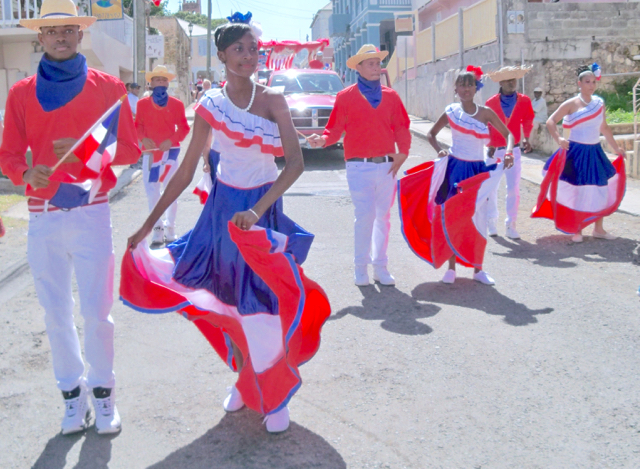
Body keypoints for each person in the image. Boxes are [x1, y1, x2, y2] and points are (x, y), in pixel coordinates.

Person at [122, 13, 330, 434]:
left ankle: (272, 398)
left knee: (261, 305)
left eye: (253, 49)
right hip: (221, 214)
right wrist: (147, 227)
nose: (248, 56)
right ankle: (244, 379)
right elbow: (182, 174)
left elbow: (295, 164)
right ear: (221, 56)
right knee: (227, 302)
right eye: (239, 49)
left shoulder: (274, 100)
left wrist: (257, 211)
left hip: (260, 211)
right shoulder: (212, 105)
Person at [0, 0, 139, 435]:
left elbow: (132, 149)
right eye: (51, 31)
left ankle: (104, 395)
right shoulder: (21, 93)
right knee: (56, 315)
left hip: (91, 211)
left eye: (68, 30)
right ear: (40, 38)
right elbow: (7, 156)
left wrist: (85, 151)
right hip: (43, 216)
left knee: (98, 313)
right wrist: (26, 172)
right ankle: (72, 398)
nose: (60, 37)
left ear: (81, 35)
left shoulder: (107, 87)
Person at [397, 66, 514, 285]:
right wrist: (439, 150)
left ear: (476, 87)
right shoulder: (451, 111)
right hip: (455, 169)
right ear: (456, 88)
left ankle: (478, 269)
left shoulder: (486, 112)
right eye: (462, 84)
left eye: (470, 84)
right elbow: (431, 134)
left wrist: (508, 152)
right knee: (452, 216)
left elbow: (509, 134)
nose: (466, 88)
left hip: (477, 171)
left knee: (478, 218)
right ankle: (451, 269)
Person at [308, 44, 411, 286]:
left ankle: (380, 266)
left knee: (383, 218)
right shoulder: (346, 97)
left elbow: (402, 127)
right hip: (358, 166)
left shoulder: (391, 96)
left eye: (378, 63)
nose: (376, 68)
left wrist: (403, 153)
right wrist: (322, 139)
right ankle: (360, 267)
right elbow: (334, 129)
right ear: (359, 67)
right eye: (371, 64)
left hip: (387, 166)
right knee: (365, 216)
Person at [532, 63, 626, 242]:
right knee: (578, 191)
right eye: (587, 82)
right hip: (576, 152)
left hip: (595, 151)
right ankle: (577, 229)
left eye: (593, 82)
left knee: (600, 189)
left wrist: (616, 148)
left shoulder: (599, 102)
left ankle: (599, 229)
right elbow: (552, 121)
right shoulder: (571, 104)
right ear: (579, 83)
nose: (591, 85)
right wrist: (559, 139)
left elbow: (604, 127)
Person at [135, 65, 190, 247]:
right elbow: (137, 126)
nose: (161, 82)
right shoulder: (142, 104)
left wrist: (171, 140)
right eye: (157, 79)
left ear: (168, 83)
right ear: (150, 83)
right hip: (151, 155)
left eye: (164, 79)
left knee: (171, 192)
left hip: (170, 153)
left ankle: (170, 227)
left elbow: (184, 128)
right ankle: (157, 229)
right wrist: (143, 138)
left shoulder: (177, 104)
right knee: (152, 193)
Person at [484, 66, 535, 239]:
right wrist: (488, 143)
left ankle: (511, 224)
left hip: (514, 150)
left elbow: (528, 120)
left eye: (514, 79)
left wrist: (527, 137)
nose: (512, 83)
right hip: (494, 150)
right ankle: (491, 221)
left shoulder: (524, 101)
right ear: (500, 82)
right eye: (507, 80)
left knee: (513, 188)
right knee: (491, 188)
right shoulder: (490, 102)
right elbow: (487, 125)